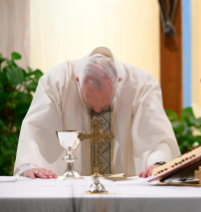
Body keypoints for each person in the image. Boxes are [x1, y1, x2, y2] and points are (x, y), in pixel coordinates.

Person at [14, 47, 180, 179]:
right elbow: (36, 131)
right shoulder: (57, 81)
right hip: (70, 192)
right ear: (77, 80)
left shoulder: (142, 85)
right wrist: (32, 164)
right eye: (89, 104)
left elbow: (156, 136)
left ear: (119, 82)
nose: (98, 111)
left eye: (106, 103)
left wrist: (158, 163)